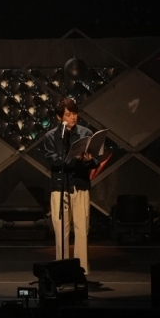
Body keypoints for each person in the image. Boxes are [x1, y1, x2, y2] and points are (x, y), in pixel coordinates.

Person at [41, 97, 102, 272]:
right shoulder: (52, 136)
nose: (73, 117)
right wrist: (72, 159)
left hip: (80, 184)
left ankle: (81, 270)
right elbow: (51, 159)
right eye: (68, 114)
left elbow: (95, 161)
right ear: (59, 116)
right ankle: (61, 269)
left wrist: (87, 160)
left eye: (75, 113)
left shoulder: (85, 133)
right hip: (60, 186)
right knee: (61, 231)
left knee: (82, 230)